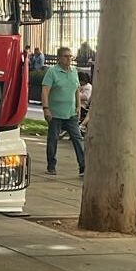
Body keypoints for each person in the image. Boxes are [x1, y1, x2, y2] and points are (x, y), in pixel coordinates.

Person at [41, 46, 85, 176]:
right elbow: (45, 90)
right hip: (55, 113)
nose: (69, 59)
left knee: (77, 138)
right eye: (66, 56)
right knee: (53, 139)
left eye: (70, 56)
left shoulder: (74, 71)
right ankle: (51, 164)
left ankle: (83, 165)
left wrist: (78, 106)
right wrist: (46, 108)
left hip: (70, 112)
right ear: (59, 58)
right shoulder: (52, 72)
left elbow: (76, 89)